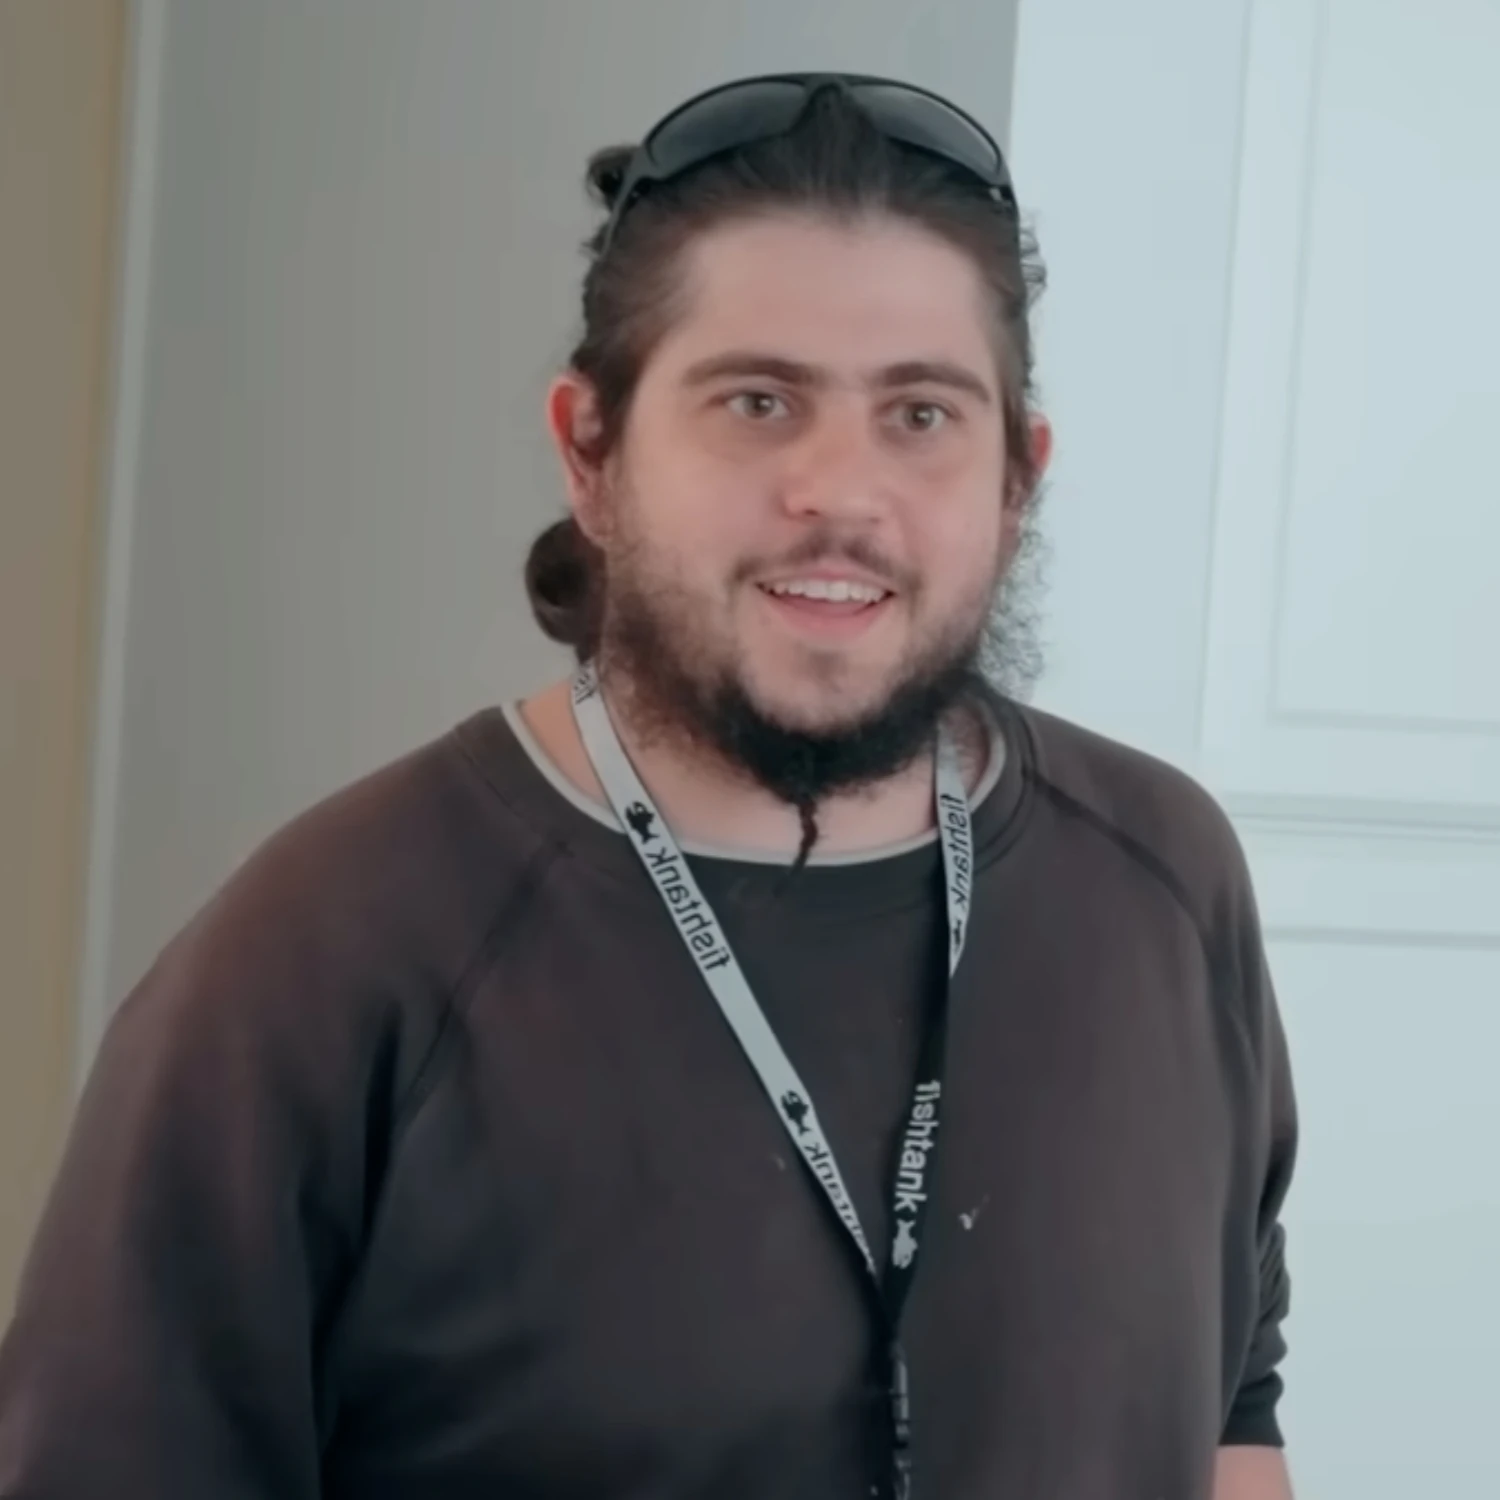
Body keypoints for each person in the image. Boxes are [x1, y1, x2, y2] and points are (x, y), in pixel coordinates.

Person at [0, 73, 1297, 1500]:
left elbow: (1232, 1411)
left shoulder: (1167, 880)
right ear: (592, 456)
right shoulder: (324, 958)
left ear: (1016, 481)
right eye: (758, 402)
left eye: (921, 414)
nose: (840, 491)